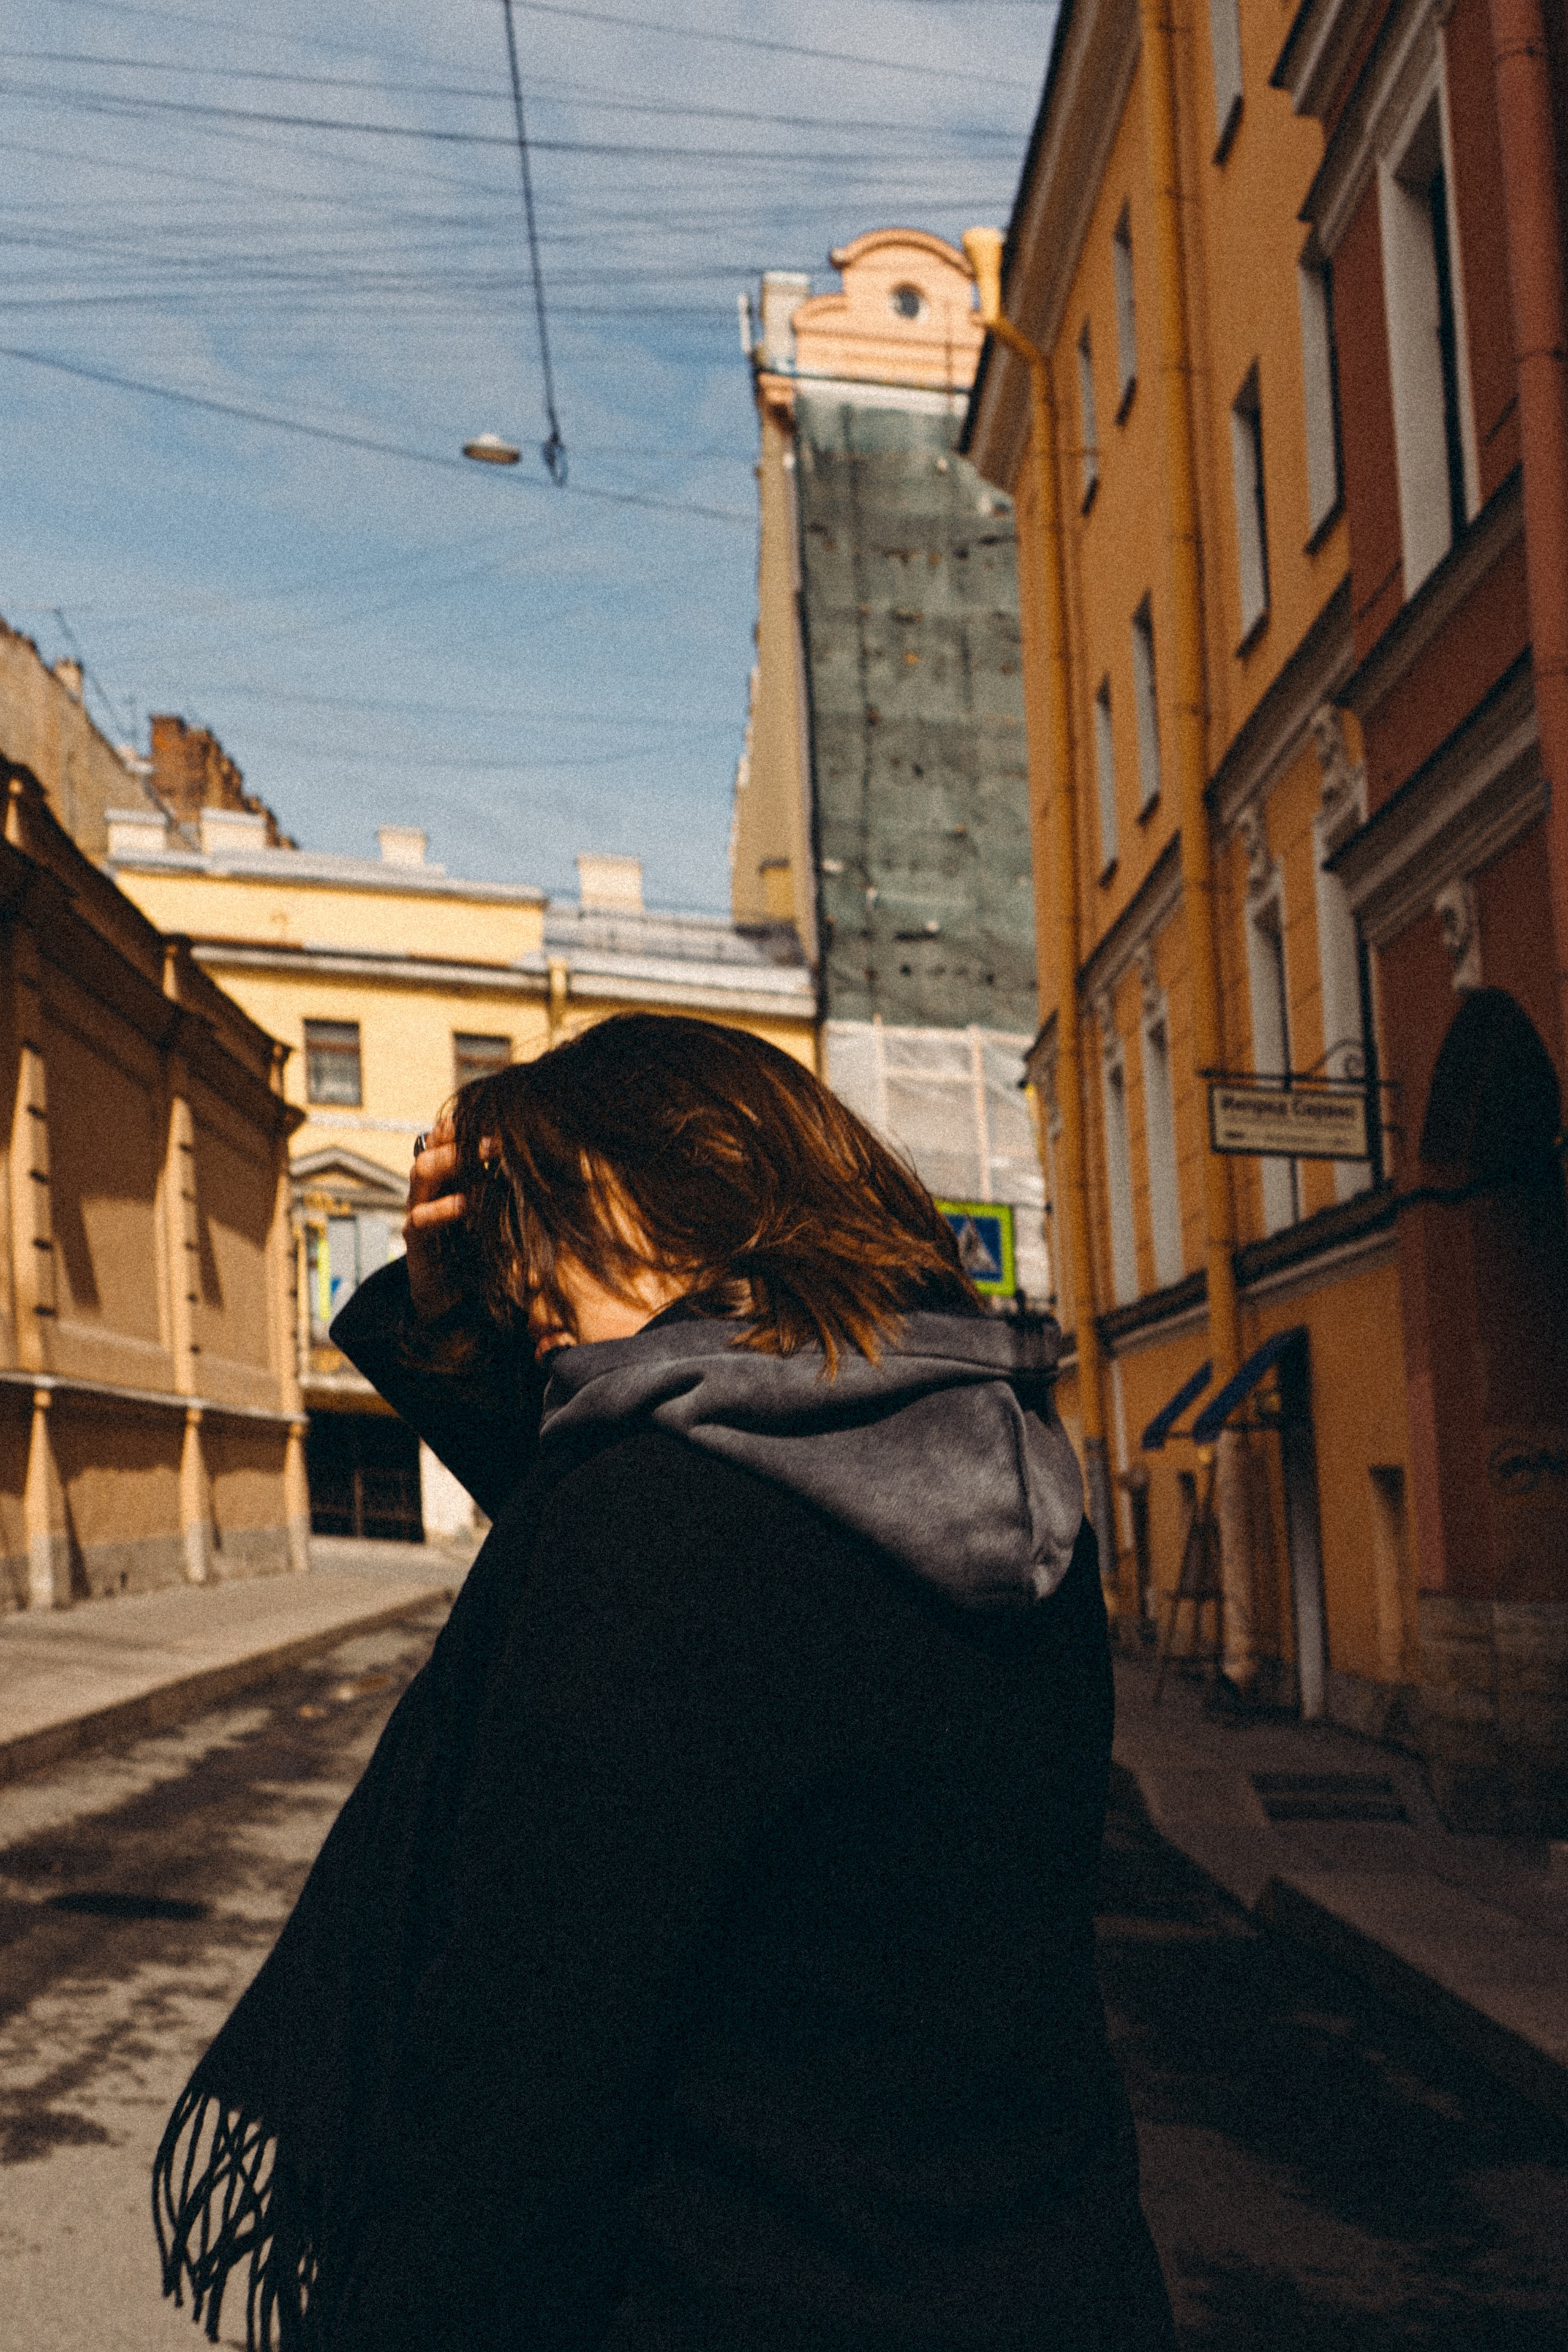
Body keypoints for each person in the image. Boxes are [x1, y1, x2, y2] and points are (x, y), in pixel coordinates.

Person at [154, 1012, 1175, 2352]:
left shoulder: (657, 1531)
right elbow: (654, 1538)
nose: (538, 1327)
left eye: (541, 1271)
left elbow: (510, 2091)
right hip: (1047, 2280)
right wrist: (453, 1321)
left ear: (663, 1205)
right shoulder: (1002, 1481)